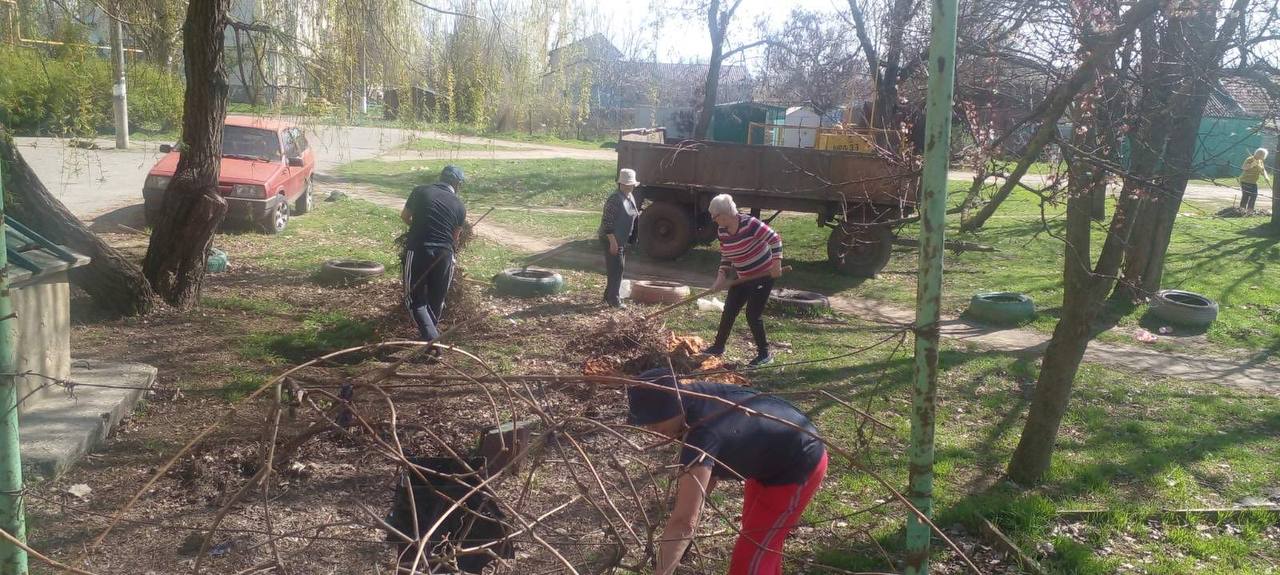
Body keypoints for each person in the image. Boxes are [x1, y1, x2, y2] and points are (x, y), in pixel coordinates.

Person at [626, 368, 827, 575]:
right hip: (766, 456)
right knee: (760, 543)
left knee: (748, 563)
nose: (650, 429)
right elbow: (702, 488)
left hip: (798, 462)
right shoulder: (693, 399)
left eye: (654, 421)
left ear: (673, 408)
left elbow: (684, 521)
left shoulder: (703, 435)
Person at [704, 194, 783, 367]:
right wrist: (720, 278)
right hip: (742, 277)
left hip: (763, 275)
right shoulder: (722, 231)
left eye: (714, 216)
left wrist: (776, 263)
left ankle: (764, 354)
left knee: (753, 315)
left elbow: (775, 239)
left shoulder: (750, 224)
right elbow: (726, 256)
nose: (713, 220)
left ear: (724, 215)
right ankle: (718, 347)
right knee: (729, 309)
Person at [401, 165, 467, 342]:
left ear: (440, 177)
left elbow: (405, 216)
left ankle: (431, 340)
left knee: (413, 299)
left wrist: (421, 227)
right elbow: (455, 237)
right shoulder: (459, 205)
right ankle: (431, 340)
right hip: (445, 254)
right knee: (437, 299)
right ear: (458, 184)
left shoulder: (420, 191)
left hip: (419, 249)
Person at [598, 168, 641, 308]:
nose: (629, 186)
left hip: (621, 239)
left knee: (616, 268)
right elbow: (607, 222)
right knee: (617, 268)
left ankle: (608, 296)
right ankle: (614, 300)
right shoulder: (614, 199)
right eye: (627, 184)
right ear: (621, 184)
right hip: (611, 238)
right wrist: (613, 242)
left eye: (631, 184)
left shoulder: (630, 197)